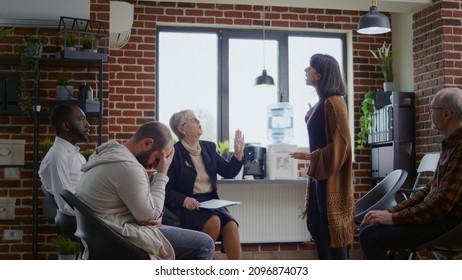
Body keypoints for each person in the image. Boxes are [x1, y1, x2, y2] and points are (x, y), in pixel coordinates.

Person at [76, 121, 215, 260]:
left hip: (104, 233)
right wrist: (162, 173)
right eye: (158, 158)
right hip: (119, 237)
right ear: (147, 143)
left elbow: (148, 212)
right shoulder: (128, 167)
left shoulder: (109, 156)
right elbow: (151, 216)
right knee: (205, 243)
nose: (156, 165)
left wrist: (153, 214)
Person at [359, 87, 462, 259]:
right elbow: (430, 190)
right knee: (371, 227)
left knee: (371, 235)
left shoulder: (460, 149)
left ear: (446, 114)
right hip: (438, 218)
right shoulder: (451, 144)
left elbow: (442, 203)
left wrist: (394, 218)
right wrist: (391, 213)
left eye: (432, 109)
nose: (429, 113)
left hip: (449, 224)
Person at [290, 53, 355, 260]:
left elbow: (341, 146)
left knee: (331, 234)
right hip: (320, 178)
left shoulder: (335, 102)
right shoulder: (322, 102)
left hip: (331, 180)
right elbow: (322, 137)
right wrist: (309, 119)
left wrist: (312, 157)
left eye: (310, 68)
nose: (306, 71)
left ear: (319, 75)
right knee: (317, 228)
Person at [166, 109, 245, 260]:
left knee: (231, 226)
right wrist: (184, 201)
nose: (198, 122)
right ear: (182, 129)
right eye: (194, 120)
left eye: (197, 119)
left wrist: (238, 155)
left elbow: (228, 171)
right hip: (190, 204)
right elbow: (166, 190)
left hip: (212, 201)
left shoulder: (209, 147)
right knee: (214, 222)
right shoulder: (174, 153)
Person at [39, 104, 90, 216]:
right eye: (81, 120)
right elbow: (66, 205)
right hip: (89, 220)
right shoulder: (58, 156)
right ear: (66, 126)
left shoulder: (77, 155)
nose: (87, 124)